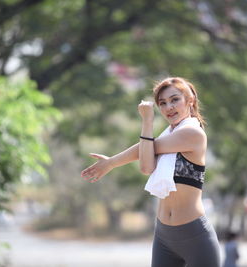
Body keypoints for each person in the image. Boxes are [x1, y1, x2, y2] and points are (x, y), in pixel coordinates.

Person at [81, 77, 221, 267]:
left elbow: (148, 148)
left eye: (174, 100)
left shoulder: (193, 133)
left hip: (194, 236)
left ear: (190, 100)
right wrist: (146, 123)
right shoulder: (168, 135)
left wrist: (113, 161)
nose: (168, 107)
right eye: (162, 103)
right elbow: (146, 166)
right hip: (164, 236)